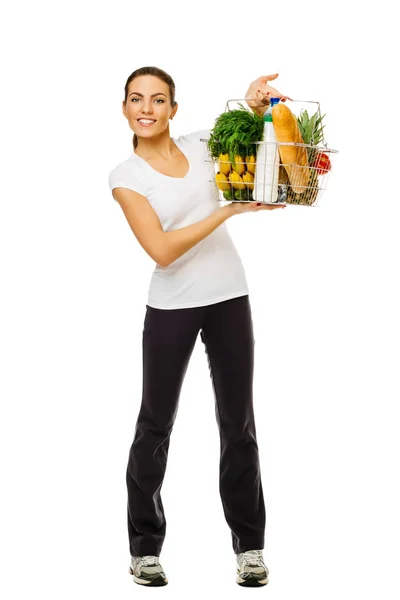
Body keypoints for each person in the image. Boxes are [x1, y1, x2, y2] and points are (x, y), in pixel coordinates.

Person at [108, 66, 292, 587]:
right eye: (137, 99)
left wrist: (256, 100)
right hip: (171, 306)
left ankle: (250, 547)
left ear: (173, 109)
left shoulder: (199, 143)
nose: (147, 108)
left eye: (159, 99)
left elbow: (247, 120)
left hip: (230, 295)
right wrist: (227, 211)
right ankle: (144, 548)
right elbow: (162, 251)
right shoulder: (126, 177)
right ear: (124, 108)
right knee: (155, 425)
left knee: (239, 425)